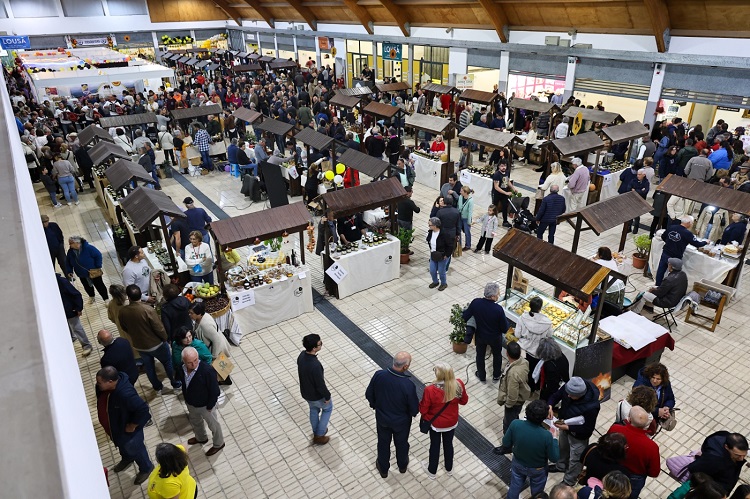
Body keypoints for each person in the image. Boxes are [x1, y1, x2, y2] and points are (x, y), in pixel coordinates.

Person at [365, 352, 419, 478]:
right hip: (401, 423)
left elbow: (369, 394)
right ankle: (402, 465)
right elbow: (414, 409)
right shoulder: (408, 385)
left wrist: (375, 406)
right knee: (401, 443)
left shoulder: (379, 375)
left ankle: (383, 469)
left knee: (383, 443)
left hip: (382, 419)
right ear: (405, 367)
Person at [95, 366, 153, 485]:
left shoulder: (125, 394)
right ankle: (127, 458)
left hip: (128, 432)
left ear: (110, 382)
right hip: (116, 429)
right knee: (123, 446)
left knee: (136, 449)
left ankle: (146, 468)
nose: (97, 384)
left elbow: (143, 410)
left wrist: (132, 425)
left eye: (100, 382)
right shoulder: (104, 388)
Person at [118, 284, 180, 395]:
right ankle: (175, 385)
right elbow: (159, 328)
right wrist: (165, 338)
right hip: (157, 344)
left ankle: (157, 388)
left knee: (149, 367)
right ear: (140, 295)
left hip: (139, 345)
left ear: (128, 297)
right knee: (168, 363)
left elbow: (124, 328)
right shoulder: (148, 309)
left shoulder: (123, 311)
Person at [548, 377, 602, 486]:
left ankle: (569, 481)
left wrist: (568, 428)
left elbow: (588, 428)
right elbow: (556, 395)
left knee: (576, 459)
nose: (567, 396)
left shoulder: (592, 407)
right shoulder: (570, 386)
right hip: (564, 424)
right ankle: (561, 466)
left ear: (580, 395)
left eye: (571, 395)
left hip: (579, 436)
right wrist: (550, 405)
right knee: (563, 447)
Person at [419, 363, 468, 479]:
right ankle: (449, 468)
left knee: (435, 446)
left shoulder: (430, 389)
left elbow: (423, 409)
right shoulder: (459, 384)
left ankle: (432, 471)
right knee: (448, 444)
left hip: (436, 424)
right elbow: (464, 401)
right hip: (451, 422)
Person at [503, 400, 560, 499]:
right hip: (538, 469)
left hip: (518, 463)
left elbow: (506, 443)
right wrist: (554, 438)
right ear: (544, 417)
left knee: (514, 486)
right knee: (537, 493)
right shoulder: (546, 435)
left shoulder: (515, 424)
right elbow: (554, 458)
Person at [176, 347, 225, 456]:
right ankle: (201, 438)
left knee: (214, 426)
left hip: (206, 406)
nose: (194, 364)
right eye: (190, 362)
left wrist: (210, 406)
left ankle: (219, 443)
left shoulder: (207, 371)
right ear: (183, 361)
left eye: (196, 360)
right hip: (191, 403)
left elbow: (215, 391)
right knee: (195, 422)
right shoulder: (181, 368)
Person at [607, 406, 661, 498]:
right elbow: (654, 472)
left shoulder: (615, 429)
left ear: (629, 418)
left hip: (612, 469)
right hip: (634, 479)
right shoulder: (652, 446)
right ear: (647, 424)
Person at [463, 282, 509, 383]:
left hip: (480, 335)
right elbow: (505, 328)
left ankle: (482, 375)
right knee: (497, 355)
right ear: (492, 296)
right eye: (498, 294)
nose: (499, 296)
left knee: (480, 355)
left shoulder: (476, 303)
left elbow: (465, 316)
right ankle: (496, 375)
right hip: (495, 338)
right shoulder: (498, 309)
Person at [494, 341, 531, 455]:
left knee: (508, 424)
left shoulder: (513, 373)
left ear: (507, 353)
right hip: (521, 398)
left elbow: (512, 395)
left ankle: (507, 446)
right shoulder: (524, 362)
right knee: (514, 419)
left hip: (514, 403)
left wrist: (508, 405)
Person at [297, 334, 333, 446]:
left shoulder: (301, 356)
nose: (321, 344)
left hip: (306, 393)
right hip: (317, 395)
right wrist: (327, 396)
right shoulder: (315, 365)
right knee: (327, 409)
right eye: (320, 343)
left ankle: (316, 431)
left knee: (313, 409)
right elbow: (320, 385)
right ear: (314, 348)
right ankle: (319, 435)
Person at [654, 216, 707, 286]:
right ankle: (668, 287)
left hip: (666, 252)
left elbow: (663, 236)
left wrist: (669, 242)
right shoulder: (687, 233)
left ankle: (657, 285)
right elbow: (697, 244)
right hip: (676, 256)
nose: (692, 225)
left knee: (661, 270)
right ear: (688, 223)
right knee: (674, 274)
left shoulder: (671, 227)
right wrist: (706, 242)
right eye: (692, 223)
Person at [514, 296, 553, 390]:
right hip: (537, 352)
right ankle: (531, 389)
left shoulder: (523, 318)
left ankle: (520, 386)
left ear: (530, 306)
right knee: (533, 371)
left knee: (522, 369)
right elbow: (549, 336)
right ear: (540, 308)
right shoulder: (547, 322)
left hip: (523, 349)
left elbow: (517, 334)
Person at [56, 273, 93, 357]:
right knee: (65, 326)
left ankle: (86, 345)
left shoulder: (61, 282)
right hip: (59, 310)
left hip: (69, 309)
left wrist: (78, 308)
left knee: (77, 328)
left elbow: (76, 294)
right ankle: (72, 338)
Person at [66, 235, 109, 304]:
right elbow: (68, 262)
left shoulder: (88, 248)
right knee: (87, 286)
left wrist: (98, 266)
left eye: (71, 243)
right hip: (82, 274)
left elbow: (98, 255)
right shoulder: (70, 252)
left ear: (77, 243)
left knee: (99, 285)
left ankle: (106, 299)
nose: (69, 245)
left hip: (93, 272)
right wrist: (69, 271)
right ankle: (91, 296)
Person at [537, 337, 570, 401]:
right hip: (561, 384)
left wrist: (544, 396)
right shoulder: (561, 356)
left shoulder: (550, 366)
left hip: (553, 390)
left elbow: (550, 387)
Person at [426, 217, 453, 291]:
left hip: (442, 256)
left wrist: (446, 255)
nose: (429, 226)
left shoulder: (444, 234)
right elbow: (429, 240)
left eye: (430, 225)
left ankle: (444, 283)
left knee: (441, 271)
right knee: (432, 270)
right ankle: (435, 282)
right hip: (433, 254)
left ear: (435, 226)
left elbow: (450, 246)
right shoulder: (431, 232)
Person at [492, 162, 515, 228]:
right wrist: (506, 193)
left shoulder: (507, 172)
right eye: (502, 166)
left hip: (504, 193)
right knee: (494, 207)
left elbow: (507, 181)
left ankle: (505, 221)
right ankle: (493, 220)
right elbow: (496, 187)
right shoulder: (497, 175)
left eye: (505, 165)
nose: (503, 167)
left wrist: (513, 188)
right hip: (497, 194)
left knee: (505, 207)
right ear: (499, 166)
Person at [457, 186, 474, 250]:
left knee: (467, 232)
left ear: (465, 192)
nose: (460, 192)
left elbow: (470, 212)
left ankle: (468, 245)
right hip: (460, 217)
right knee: (458, 231)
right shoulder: (460, 197)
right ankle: (459, 245)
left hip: (466, 218)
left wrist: (469, 222)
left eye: (461, 191)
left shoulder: (470, 200)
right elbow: (458, 206)